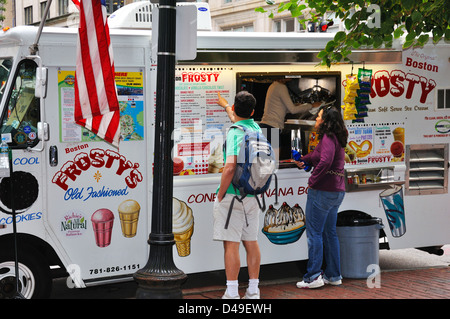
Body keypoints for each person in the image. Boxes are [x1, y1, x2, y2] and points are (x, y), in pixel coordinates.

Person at [214, 91, 262, 299]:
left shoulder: (235, 132)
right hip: (253, 194)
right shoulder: (256, 128)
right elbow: (238, 120)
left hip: (233, 196)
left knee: (231, 244)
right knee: (251, 242)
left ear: (235, 108)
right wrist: (225, 106)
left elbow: (230, 168)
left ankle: (232, 292)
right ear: (252, 111)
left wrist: (220, 194)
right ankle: (253, 290)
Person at [294, 105, 348, 288]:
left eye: (318, 117)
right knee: (329, 234)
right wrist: (303, 158)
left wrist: (313, 180)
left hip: (322, 191)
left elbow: (325, 160)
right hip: (336, 191)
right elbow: (318, 156)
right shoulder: (336, 137)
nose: (316, 119)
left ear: (325, 121)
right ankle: (333, 275)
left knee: (314, 234)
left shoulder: (327, 137)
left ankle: (313, 276)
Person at [259, 79, 321, 159]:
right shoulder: (281, 87)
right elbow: (292, 110)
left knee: (265, 162)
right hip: (272, 128)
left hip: (266, 126)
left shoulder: (273, 86)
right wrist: (311, 105)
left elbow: (284, 108)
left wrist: (298, 106)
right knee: (274, 162)